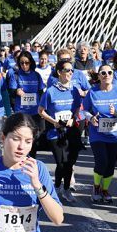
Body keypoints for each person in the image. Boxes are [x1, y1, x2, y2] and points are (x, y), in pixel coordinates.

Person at [82, 62, 117, 203]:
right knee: (101, 161)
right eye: (103, 73)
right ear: (99, 76)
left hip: (113, 134)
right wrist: (91, 118)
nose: (106, 75)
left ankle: (105, 189)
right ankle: (96, 187)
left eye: (109, 73)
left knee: (110, 164)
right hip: (97, 133)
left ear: (113, 75)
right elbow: (84, 110)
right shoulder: (93, 92)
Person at [38, 60, 83, 203]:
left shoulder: (74, 90)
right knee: (61, 162)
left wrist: (73, 118)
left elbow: (77, 108)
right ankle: (57, 187)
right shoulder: (50, 91)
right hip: (54, 132)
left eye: (72, 71)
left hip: (70, 131)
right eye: (67, 70)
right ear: (59, 72)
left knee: (69, 162)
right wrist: (54, 122)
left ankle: (67, 189)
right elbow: (41, 111)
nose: (70, 73)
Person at [7, 51, 47, 157]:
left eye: (27, 62)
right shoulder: (15, 76)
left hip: (35, 111)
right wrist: (16, 91)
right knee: (23, 136)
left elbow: (41, 92)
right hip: (22, 112)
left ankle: (30, 156)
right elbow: (11, 91)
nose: (24, 65)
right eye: (22, 63)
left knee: (38, 134)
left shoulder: (37, 75)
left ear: (31, 63)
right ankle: (25, 157)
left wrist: (44, 108)